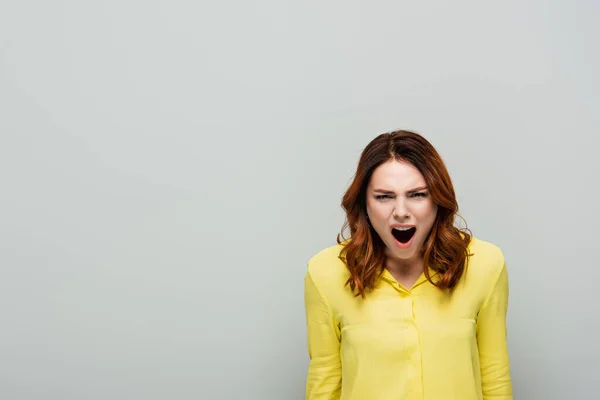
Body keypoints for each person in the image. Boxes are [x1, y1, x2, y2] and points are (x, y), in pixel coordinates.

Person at [303, 130, 512, 400]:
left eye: (417, 195)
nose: (401, 211)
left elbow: (494, 376)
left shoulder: (485, 265)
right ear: (364, 204)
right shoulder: (325, 272)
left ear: (438, 200)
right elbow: (325, 379)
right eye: (384, 197)